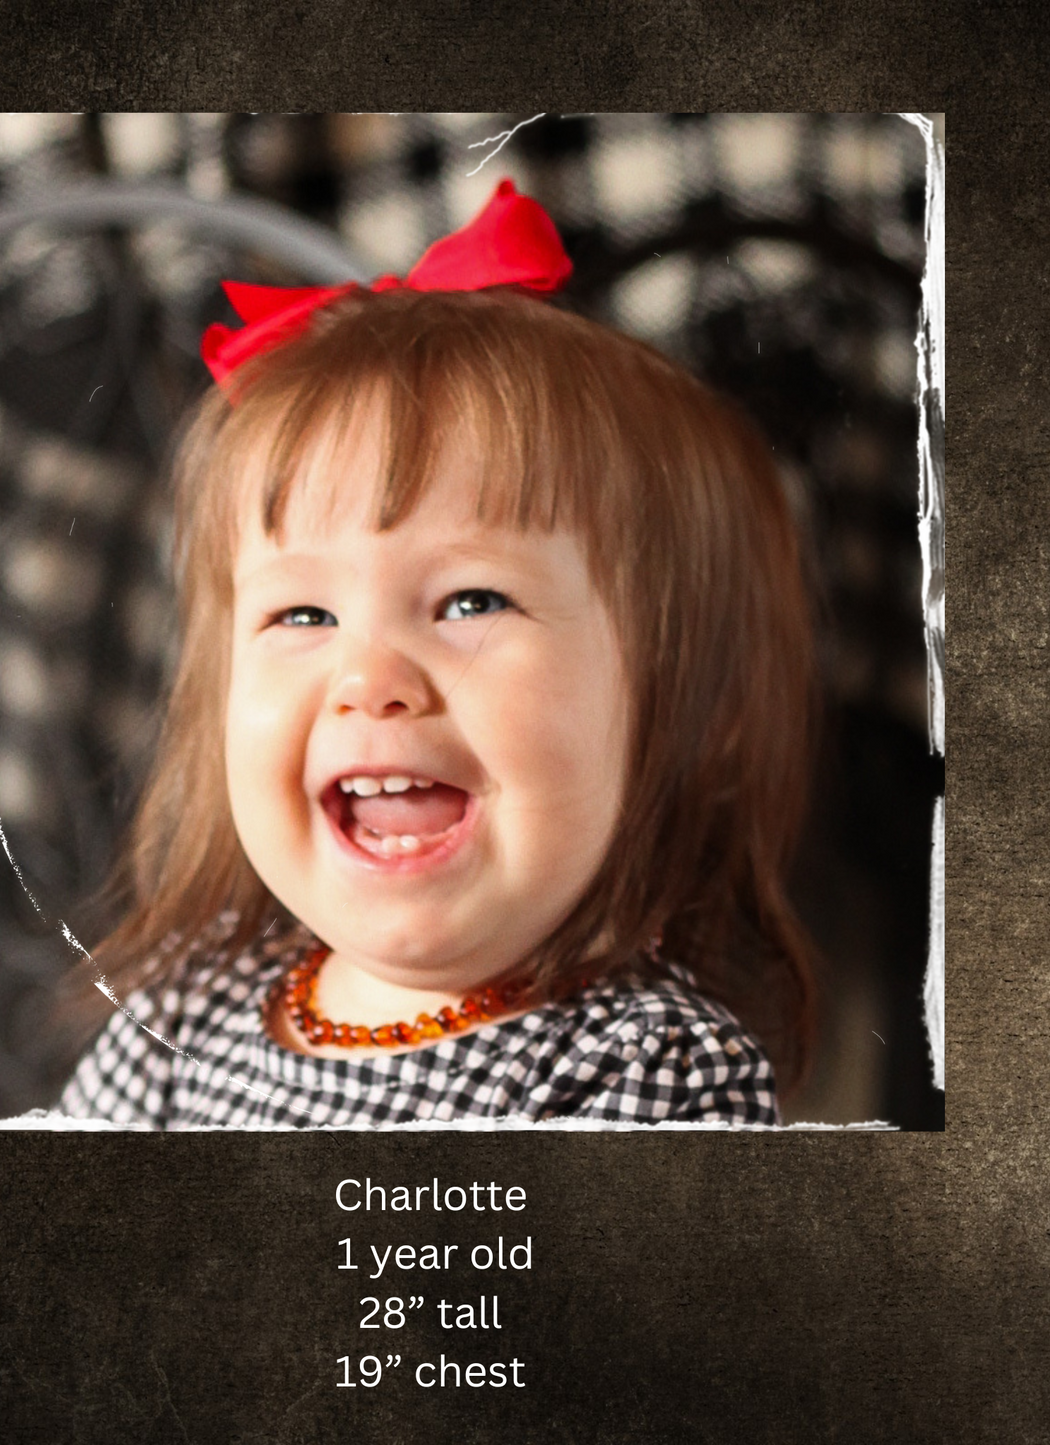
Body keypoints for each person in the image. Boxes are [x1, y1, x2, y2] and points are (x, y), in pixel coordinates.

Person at [57, 180, 817, 1128]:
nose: (370, 680)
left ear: (689, 703)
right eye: (301, 613)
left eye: (470, 600)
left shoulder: (646, 1074)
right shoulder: (179, 1010)